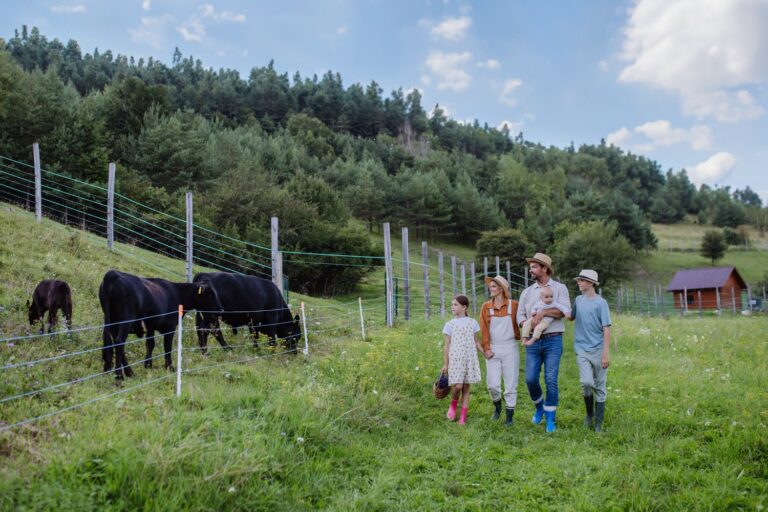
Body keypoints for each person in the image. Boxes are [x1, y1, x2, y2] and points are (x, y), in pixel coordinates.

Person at [517, 252, 571, 433]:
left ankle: (550, 418)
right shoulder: (527, 292)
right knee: (530, 379)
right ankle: (539, 407)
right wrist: (526, 323)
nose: (531, 270)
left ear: (544, 268)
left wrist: (544, 313)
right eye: (531, 267)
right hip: (532, 341)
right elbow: (520, 315)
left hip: (553, 340)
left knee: (551, 380)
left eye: (534, 267)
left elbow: (564, 311)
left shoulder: (560, 289)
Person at [568, 269, 611, 433]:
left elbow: (606, 329)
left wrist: (605, 353)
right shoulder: (578, 300)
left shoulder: (601, 303)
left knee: (600, 386)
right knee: (586, 383)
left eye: (582, 280)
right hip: (581, 349)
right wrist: (552, 306)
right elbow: (571, 316)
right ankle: (589, 414)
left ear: (591, 283)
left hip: (599, 350)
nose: (579, 283)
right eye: (578, 280)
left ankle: (598, 424)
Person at [479, 275, 520, 426]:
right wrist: (486, 348)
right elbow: (484, 329)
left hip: (510, 348)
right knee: (492, 385)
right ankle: (497, 407)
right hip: (493, 348)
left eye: (494, 286)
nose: (490, 288)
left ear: (502, 289)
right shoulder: (486, 307)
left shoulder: (514, 305)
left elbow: (523, 321)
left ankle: (509, 417)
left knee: (510, 384)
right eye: (490, 286)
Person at [441, 295, 485, 425]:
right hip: (456, 359)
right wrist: (446, 364)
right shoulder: (450, 324)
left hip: (469, 359)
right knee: (458, 385)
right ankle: (453, 405)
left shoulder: (472, 322)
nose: (452, 307)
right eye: (452, 304)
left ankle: (463, 418)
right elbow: (447, 346)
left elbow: (476, 342)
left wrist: (484, 352)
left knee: (466, 387)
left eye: (455, 305)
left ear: (464, 307)